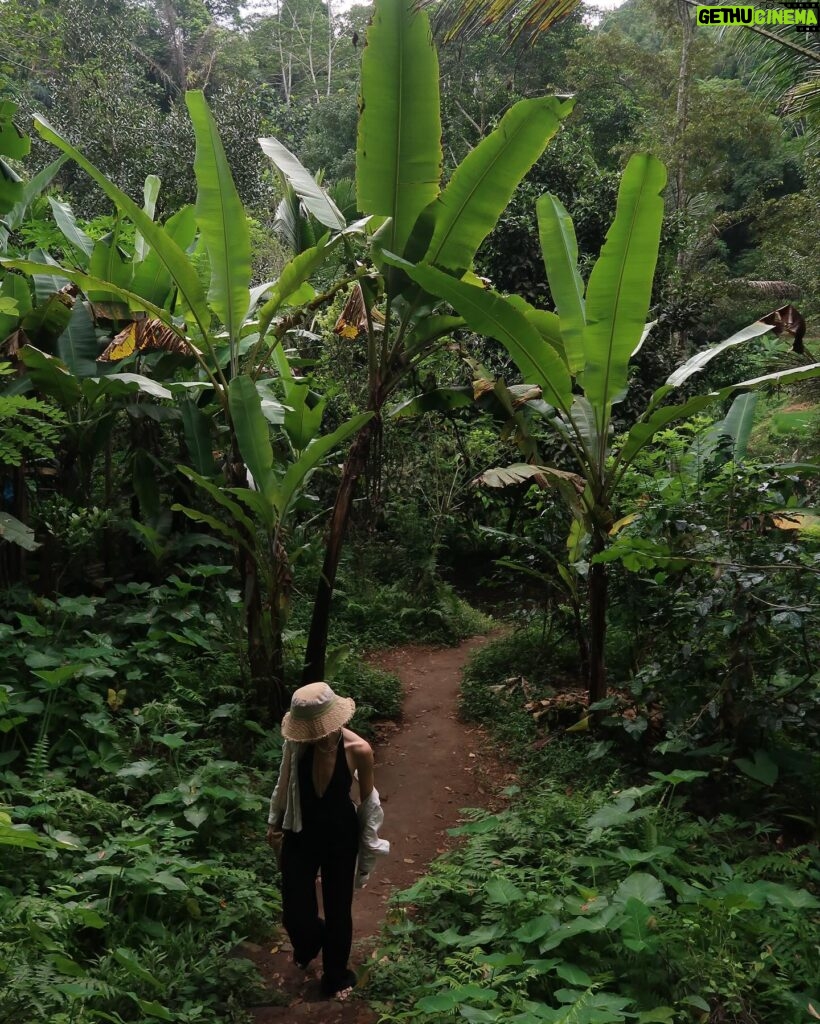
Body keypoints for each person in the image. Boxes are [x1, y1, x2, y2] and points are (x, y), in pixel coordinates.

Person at [266, 682, 389, 999]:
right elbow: (284, 784)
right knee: (295, 912)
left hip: (340, 836)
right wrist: (274, 823)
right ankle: (311, 940)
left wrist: (368, 850)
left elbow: (369, 805)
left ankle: (336, 975)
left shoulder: (359, 750)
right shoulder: (296, 745)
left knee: (338, 908)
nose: (312, 734)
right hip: (300, 831)